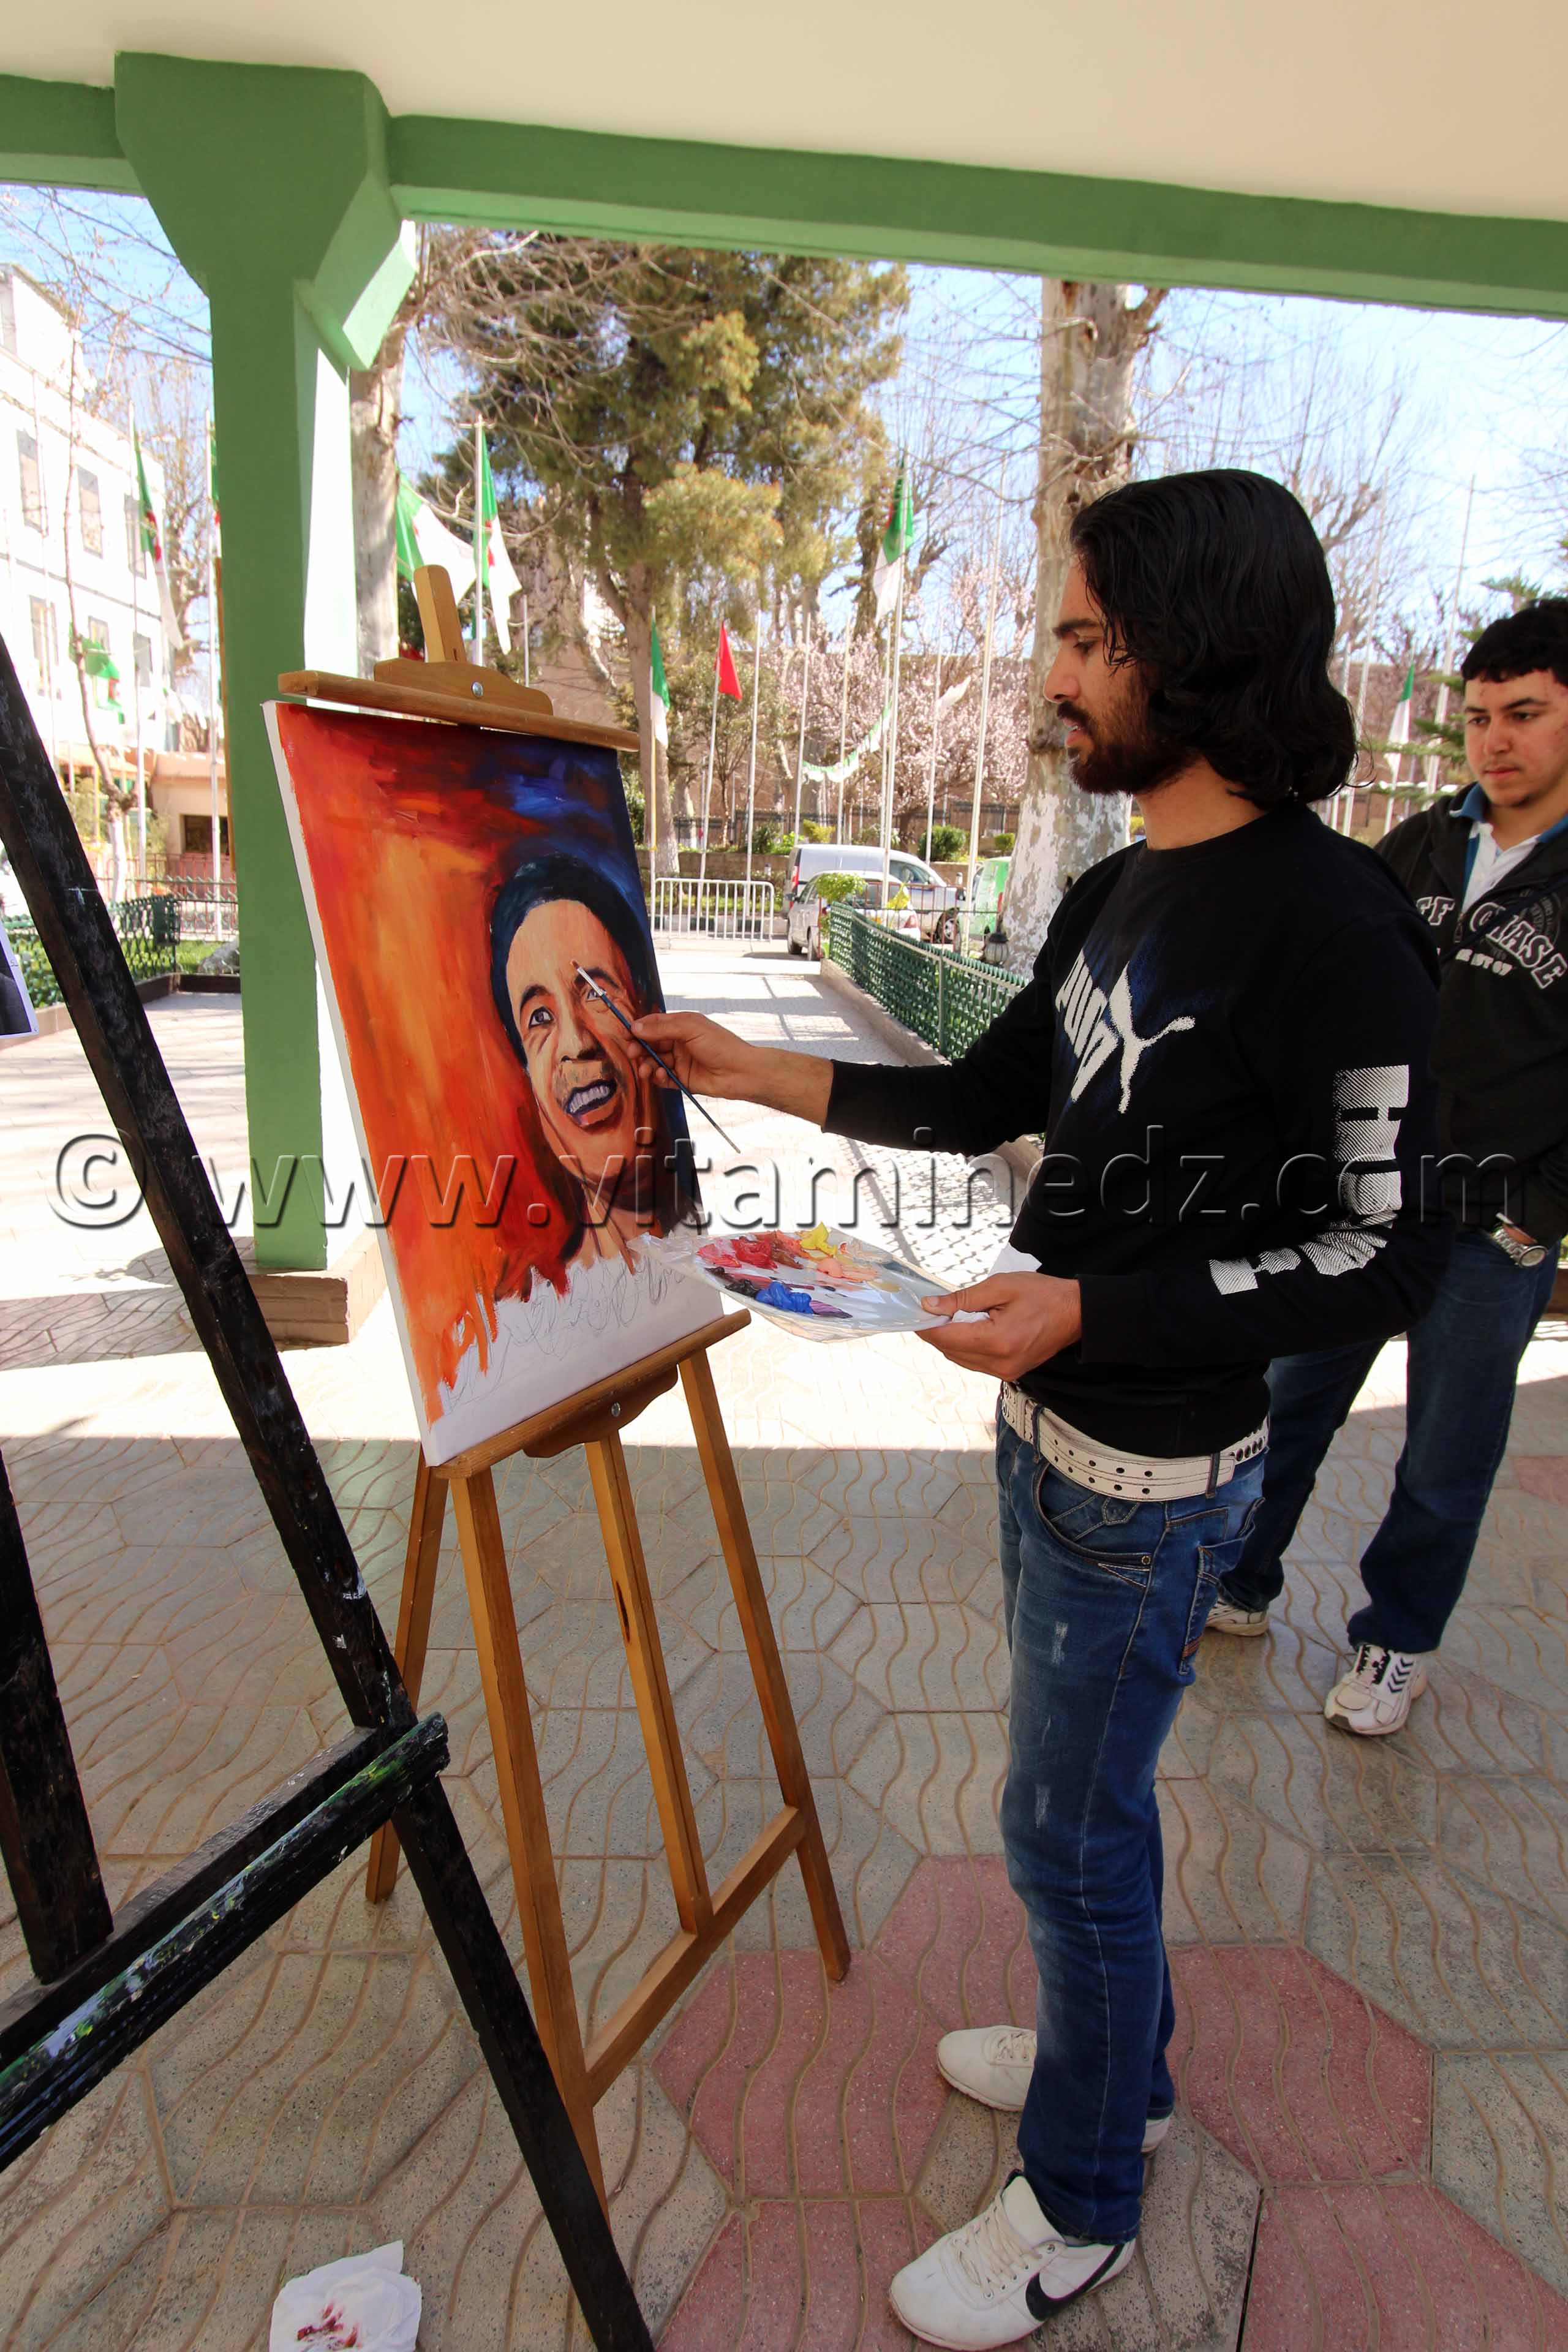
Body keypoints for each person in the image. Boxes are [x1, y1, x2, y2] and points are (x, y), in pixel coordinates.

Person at [633, 469, 1448, 2348]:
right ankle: (1124, 2062)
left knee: (1063, 1833)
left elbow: (1388, 1254)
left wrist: (1104, 1301)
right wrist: (753, 1065)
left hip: (1156, 1477)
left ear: (1200, 655)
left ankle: (1084, 2187)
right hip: (1048, 1431)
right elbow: (990, 1083)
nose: (1052, 676)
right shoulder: (1117, 881)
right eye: (1060, 637)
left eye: (1089, 642)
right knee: (1082, 1817)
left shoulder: (1336, 926)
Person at [1207, 599, 1568, 1733]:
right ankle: (1240, 1580)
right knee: (1289, 1399)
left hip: (1491, 1228)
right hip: (1365, 1196)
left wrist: (1538, 1219)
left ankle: (1394, 1642)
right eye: (1478, 718)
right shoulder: (1416, 846)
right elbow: (1326, 992)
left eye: (1527, 714)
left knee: (1444, 1454)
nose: (1496, 740)